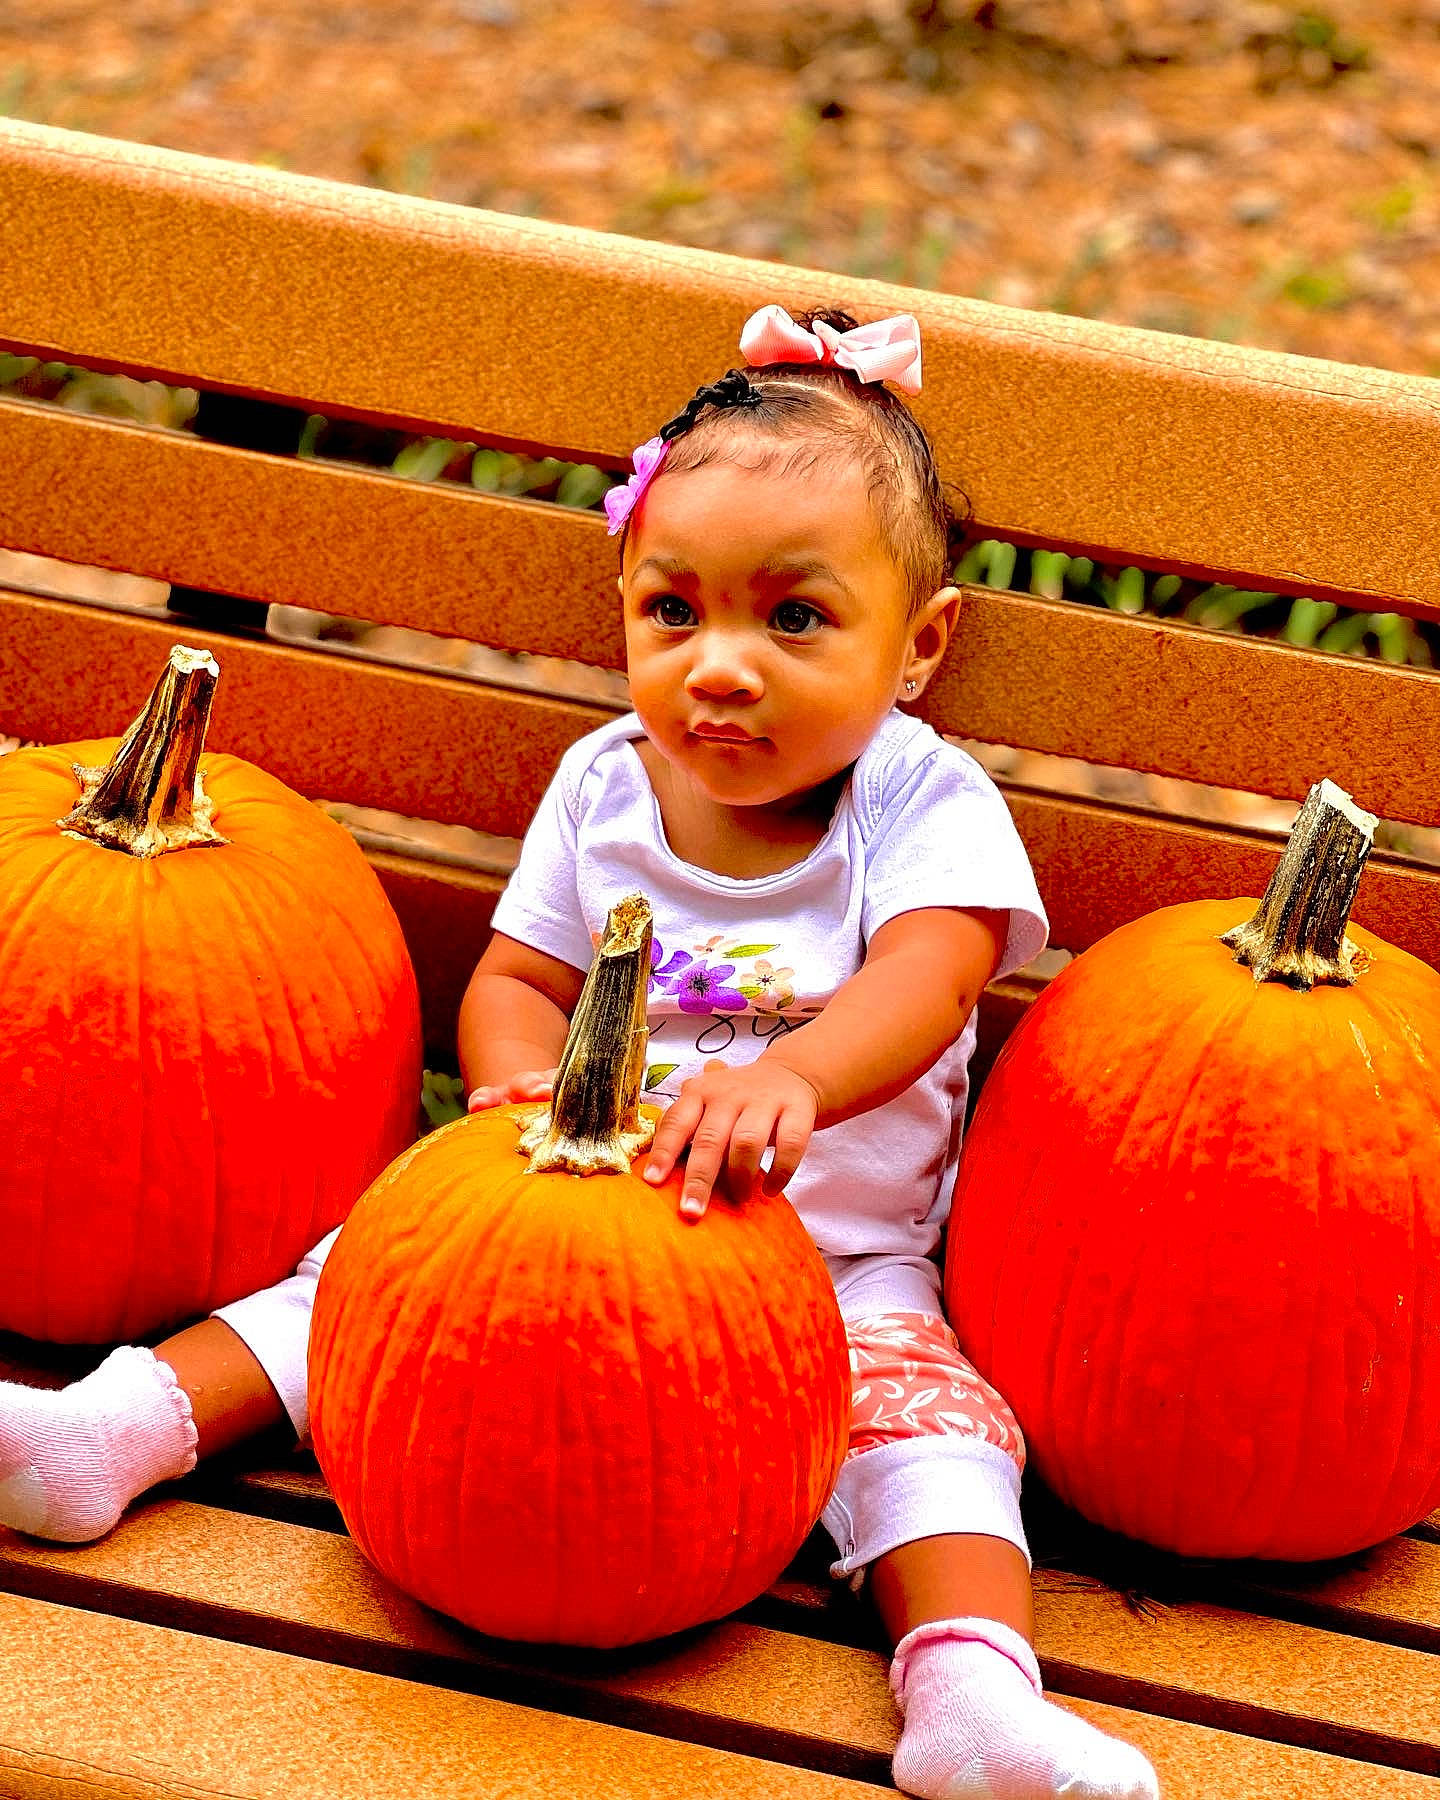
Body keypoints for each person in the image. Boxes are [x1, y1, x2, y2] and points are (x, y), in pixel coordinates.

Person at [0, 305, 1158, 1800]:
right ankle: (107, 1435)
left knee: (933, 1439)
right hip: (564, 1213)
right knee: (354, 1288)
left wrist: (794, 1073)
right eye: (674, 612)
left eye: (792, 620)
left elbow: (931, 980)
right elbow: (517, 977)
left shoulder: (917, 806)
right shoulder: (604, 786)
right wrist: (513, 1077)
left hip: (834, 1267)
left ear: (919, 646)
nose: (720, 667)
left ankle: (972, 1699)